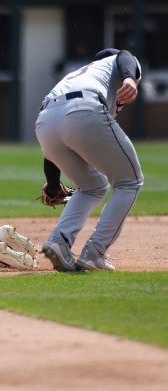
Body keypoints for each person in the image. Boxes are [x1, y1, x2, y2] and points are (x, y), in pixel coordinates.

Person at [35, 48, 143, 272]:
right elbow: (125, 55)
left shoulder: (76, 76)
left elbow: (52, 151)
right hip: (83, 109)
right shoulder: (117, 63)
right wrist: (130, 79)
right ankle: (94, 252)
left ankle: (59, 240)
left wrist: (54, 186)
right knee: (129, 181)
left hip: (44, 122)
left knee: (93, 186)